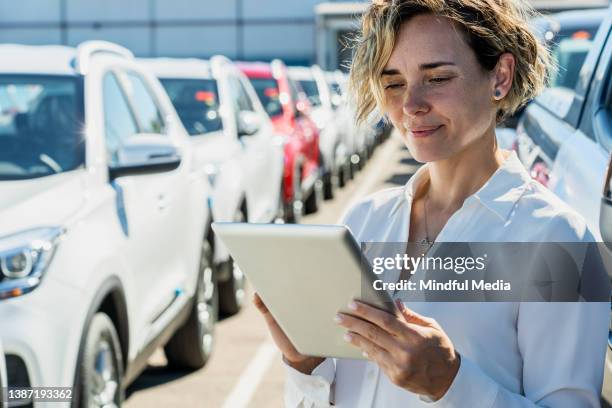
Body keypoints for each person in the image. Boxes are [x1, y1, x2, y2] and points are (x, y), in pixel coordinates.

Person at [253, 0, 610, 406]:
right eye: (393, 83)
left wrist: (451, 384)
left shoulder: (559, 238)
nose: (411, 106)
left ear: (501, 77)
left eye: (437, 78)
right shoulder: (364, 221)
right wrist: (304, 362)